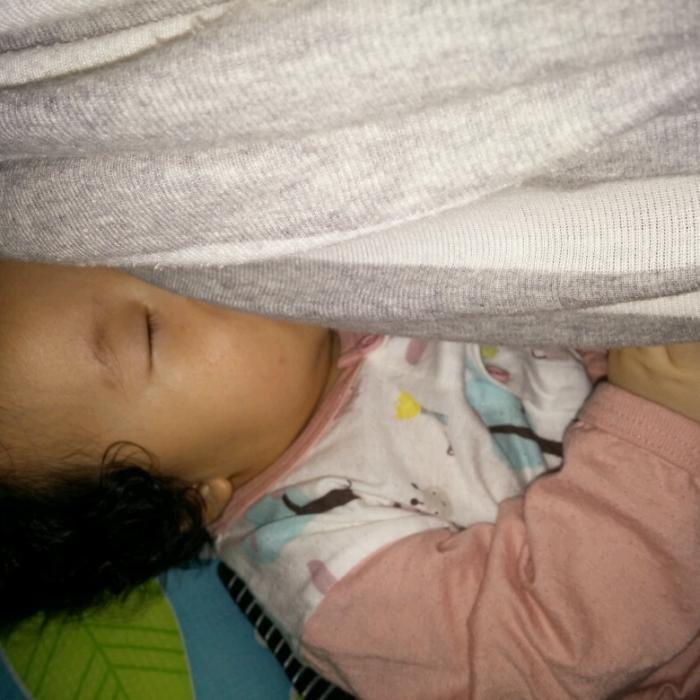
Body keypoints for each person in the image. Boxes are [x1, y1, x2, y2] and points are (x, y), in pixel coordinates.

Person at [1, 259, 699, 699]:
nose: (189, 267)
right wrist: (659, 414)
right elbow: (544, 649)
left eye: (139, 250)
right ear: (187, 497)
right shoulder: (325, 566)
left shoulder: (338, 272)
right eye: (149, 334)